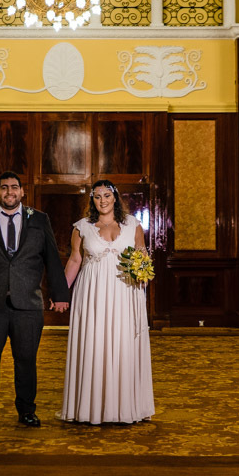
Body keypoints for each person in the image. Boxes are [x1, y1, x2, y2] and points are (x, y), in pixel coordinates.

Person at [0, 171, 70, 428]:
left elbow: (52, 258)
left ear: (22, 192)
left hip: (28, 305)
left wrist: (60, 295)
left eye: (15, 187)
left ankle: (27, 410)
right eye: (4, 188)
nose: (10, 192)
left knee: (26, 361)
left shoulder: (39, 220)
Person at [59, 179, 155, 425]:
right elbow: (74, 260)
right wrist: (61, 292)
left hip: (125, 292)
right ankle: (92, 408)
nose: (102, 200)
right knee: (95, 342)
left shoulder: (132, 224)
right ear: (92, 200)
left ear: (115, 198)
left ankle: (125, 406)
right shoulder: (81, 227)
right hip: (92, 294)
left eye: (107, 196)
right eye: (97, 196)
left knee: (123, 344)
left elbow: (142, 252)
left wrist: (143, 273)